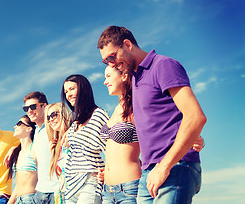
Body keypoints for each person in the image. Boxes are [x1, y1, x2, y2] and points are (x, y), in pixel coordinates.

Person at [98, 26, 207, 203]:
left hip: (175, 167)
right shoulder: (135, 78)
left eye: (112, 57)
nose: (111, 64)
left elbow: (195, 116)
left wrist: (164, 167)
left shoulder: (163, 65)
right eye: (106, 62)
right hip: (149, 172)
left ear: (127, 44)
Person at [61, 74, 108, 204]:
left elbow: (111, 146)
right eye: (66, 91)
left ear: (83, 89)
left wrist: (109, 170)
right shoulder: (75, 123)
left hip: (90, 180)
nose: (68, 94)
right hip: (71, 184)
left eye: (72, 89)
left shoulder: (98, 114)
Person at [100, 66, 141, 204]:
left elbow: (160, 127)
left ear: (124, 76)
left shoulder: (136, 106)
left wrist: (194, 139)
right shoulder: (116, 109)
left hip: (129, 187)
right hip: (107, 191)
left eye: (108, 76)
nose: (105, 82)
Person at [23, 91, 59, 204]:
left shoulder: (54, 127)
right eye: (26, 108)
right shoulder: (36, 132)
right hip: (40, 192)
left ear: (44, 106)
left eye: (33, 106)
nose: (29, 111)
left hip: (56, 191)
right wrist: (13, 149)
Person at [45, 102, 73, 203]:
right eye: (48, 118)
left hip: (79, 191)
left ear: (64, 113)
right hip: (63, 195)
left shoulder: (74, 134)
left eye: (54, 115)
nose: (51, 120)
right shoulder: (57, 146)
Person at [6, 115, 37, 204]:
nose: (15, 126)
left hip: (31, 199)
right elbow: (18, 185)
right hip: (18, 200)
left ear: (29, 129)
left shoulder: (35, 148)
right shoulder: (17, 153)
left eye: (19, 124)